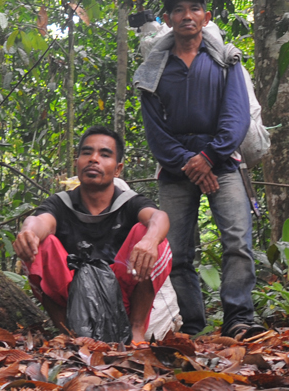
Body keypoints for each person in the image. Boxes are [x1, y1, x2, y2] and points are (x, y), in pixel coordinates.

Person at [134, 0, 264, 338]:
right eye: (178, 10)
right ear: (168, 20)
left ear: (206, 18)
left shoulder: (226, 60)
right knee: (177, 252)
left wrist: (208, 157)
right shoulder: (153, 70)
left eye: (194, 9)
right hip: (175, 170)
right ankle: (191, 324)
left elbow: (236, 116)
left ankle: (239, 318)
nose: (186, 15)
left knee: (237, 242)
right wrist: (190, 163)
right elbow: (155, 130)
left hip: (222, 162)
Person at [13, 126, 172, 343]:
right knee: (35, 245)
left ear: (118, 169)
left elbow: (159, 217)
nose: (93, 159)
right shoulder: (61, 203)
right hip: (74, 296)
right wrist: (28, 232)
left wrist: (150, 240)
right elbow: (40, 222)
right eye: (87, 153)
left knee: (153, 236)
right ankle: (67, 334)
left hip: (123, 296)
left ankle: (135, 332)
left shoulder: (129, 202)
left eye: (104, 154)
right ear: (77, 162)